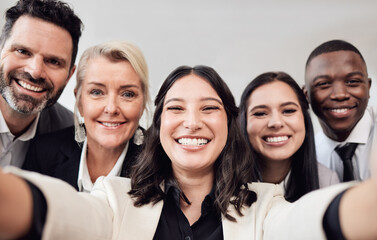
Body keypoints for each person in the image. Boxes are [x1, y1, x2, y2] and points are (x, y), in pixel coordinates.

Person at [1, 65, 377, 240]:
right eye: (176, 108)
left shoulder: (265, 204)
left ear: (230, 125)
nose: (192, 122)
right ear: (159, 122)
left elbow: (301, 226)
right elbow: (74, 217)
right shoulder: (114, 197)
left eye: (210, 108)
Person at [22, 41, 150, 192]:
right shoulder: (43, 153)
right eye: (97, 92)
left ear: (142, 104)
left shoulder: (159, 164)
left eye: (127, 94)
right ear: (79, 101)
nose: (111, 108)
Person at [0, 0, 83, 168]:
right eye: (22, 51)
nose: (35, 71)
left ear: (69, 75)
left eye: (53, 61)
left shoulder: (69, 134)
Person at [239, 72, 339, 202]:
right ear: (244, 122)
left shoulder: (327, 182)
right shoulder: (220, 181)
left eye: (288, 111)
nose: (276, 122)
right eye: (260, 113)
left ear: (304, 118)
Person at [303, 40, 376, 182]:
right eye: (323, 84)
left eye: (352, 81)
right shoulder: (307, 156)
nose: (340, 94)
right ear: (307, 95)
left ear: (368, 87)